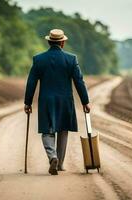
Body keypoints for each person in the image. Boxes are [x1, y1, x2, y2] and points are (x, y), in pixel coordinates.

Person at [24, 29, 90, 175]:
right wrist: (85, 101)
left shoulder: (38, 59)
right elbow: (79, 81)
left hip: (46, 100)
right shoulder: (71, 59)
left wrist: (27, 103)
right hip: (65, 100)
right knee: (63, 130)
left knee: (47, 131)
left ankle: (52, 156)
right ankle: (59, 163)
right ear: (62, 42)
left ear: (49, 42)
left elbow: (31, 82)